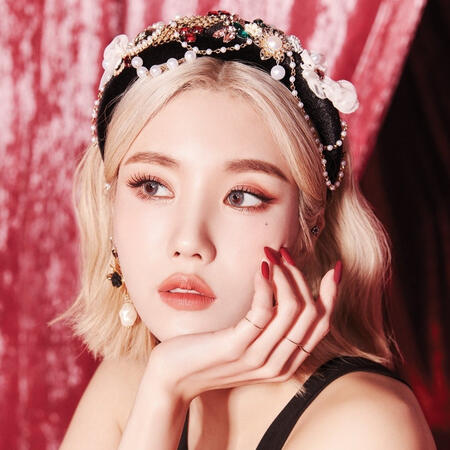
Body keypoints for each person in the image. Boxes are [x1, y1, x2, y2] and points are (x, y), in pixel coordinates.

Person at [54, 11, 436, 449]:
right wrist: (164, 390)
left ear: (309, 225)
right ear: (110, 203)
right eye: (153, 186)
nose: (188, 242)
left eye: (242, 196)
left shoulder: (368, 427)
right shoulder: (134, 379)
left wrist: (165, 388)